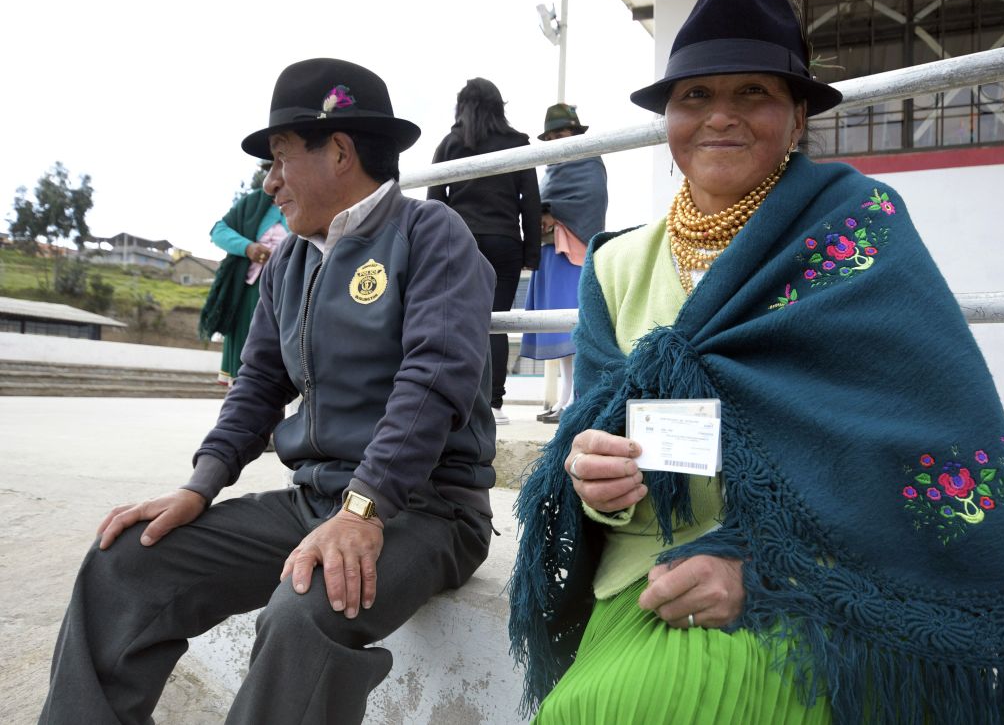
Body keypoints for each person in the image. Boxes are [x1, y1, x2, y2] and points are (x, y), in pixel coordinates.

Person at [508, 0, 1004, 724]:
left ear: (798, 117)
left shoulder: (860, 234)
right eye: (695, 95)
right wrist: (597, 483)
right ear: (669, 120)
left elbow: (917, 447)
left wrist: (766, 572)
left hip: (815, 583)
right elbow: (593, 455)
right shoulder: (617, 266)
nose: (720, 114)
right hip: (650, 580)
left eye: (754, 91)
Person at [40, 58, 498, 725]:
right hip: (314, 500)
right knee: (125, 565)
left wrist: (364, 508)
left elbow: (435, 377)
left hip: (424, 509)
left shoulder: (430, 236)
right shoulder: (290, 260)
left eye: (280, 158)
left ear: (339, 151)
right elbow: (258, 382)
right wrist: (201, 484)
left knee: (305, 613)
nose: (270, 182)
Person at [428, 78, 541, 426]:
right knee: (497, 321)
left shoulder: (450, 143)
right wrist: (531, 254)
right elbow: (531, 202)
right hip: (505, 241)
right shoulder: (516, 144)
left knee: (459, 321)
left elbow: (435, 200)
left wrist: (434, 248)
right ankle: (494, 405)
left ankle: (460, 400)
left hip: (461, 242)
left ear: (462, 107)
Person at [521, 104, 608, 424]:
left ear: (576, 134)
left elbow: (590, 201)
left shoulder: (588, 161)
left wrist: (551, 212)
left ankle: (576, 399)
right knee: (558, 330)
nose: (558, 140)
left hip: (572, 252)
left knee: (574, 328)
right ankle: (564, 398)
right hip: (548, 254)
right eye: (553, 136)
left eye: (563, 134)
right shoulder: (552, 170)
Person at [199, 176, 288, 385]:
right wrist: (248, 248)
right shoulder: (254, 202)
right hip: (249, 293)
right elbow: (218, 231)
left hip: (291, 292)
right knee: (247, 368)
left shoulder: (309, 201)